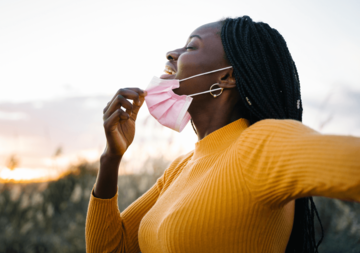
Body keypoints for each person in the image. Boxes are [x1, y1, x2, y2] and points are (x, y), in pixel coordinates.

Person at [85, 16, 360, 253]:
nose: (171, 53)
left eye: (191, 46)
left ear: (226, 77)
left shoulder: (259, 145)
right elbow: (112, 248)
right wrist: (111, 158)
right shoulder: (179, 169)